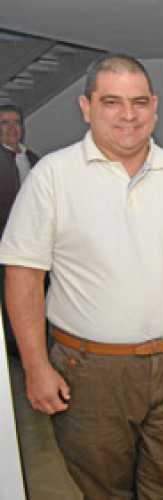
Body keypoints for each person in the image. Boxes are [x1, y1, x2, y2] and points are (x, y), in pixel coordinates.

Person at [0, 54, 163, 499]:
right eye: (112, 102)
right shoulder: (52, 177)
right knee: (105, 491)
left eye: (139, 102)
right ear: (86, 107)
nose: (128, 115)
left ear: (155, 106)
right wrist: (35, 367)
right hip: (90, 372)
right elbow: (23, 277)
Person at [0, 103, 41, 357]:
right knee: (11, 295)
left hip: (35, 241)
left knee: (34, 293)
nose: (12, 129)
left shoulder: (32, 157)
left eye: (16, 123)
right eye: (5, 123)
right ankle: (14, 347)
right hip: (6, 241)